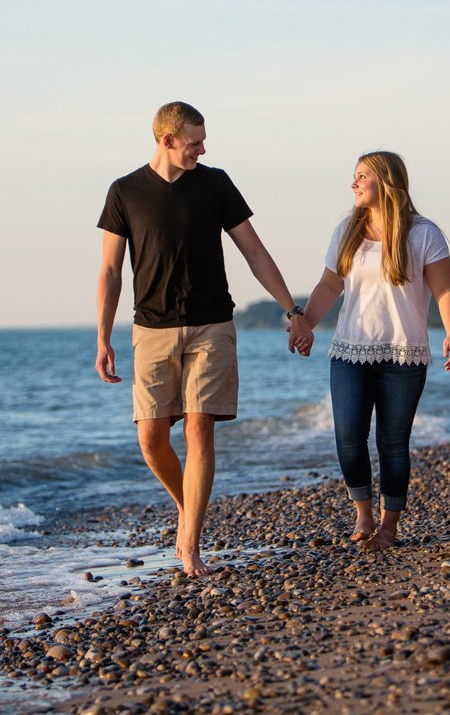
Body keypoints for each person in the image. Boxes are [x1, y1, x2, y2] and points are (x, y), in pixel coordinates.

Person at [95, 102, 307, 577]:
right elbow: (110, 271)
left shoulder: (215, 184)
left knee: (198, 430)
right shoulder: (124, 191)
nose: (202, 149)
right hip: (150, 329)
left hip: (212, 324)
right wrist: (103, 337)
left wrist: (291, 309)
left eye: (203, 141)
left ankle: (189, 546)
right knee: (151, 440)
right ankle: (188, 508)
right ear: (166, 140)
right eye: (194, 142)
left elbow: (253, 250)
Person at [292, 150, 450, 551]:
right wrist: (306, 325)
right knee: (349, 435)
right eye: (354, 176)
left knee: (392, 441)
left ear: (385, 181)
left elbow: (444, 289)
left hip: (404, 353)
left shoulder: (423, 234)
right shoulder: (346, 231)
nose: (353, 183)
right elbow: (329, 286)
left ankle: (389, 525)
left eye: (361, 176)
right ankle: (363, 512)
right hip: (351, 351)